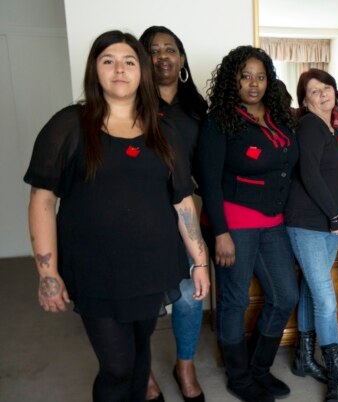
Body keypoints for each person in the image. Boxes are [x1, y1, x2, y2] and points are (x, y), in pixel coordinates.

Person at [24, 30, 210, 402]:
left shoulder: (163, 130)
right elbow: (43, 201)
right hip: (95, 270)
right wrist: (47, 272)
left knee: (140, 361)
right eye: (108, 60)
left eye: (128, 61)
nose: (119, 69)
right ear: (95, 70)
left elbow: (183, 203)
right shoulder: (69, 125)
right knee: (117, 367)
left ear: (141, 71)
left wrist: (199, 262)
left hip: (151, 268)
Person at [197, 45, 299, 402]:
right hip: (234, 222)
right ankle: (239, 379)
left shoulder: (279, 116)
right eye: (245, 76)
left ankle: (259, 368)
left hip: (273, 220)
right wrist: (221, 233)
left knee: (285, 294)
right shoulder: (219, 122)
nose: (253, 84)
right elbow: (209, 181)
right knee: (234, 301)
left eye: (260, 76)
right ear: (232, 80)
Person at [139, 26, 209, 402]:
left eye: (171, 49)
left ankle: (185, 364)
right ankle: (143, 372)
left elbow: (205, 166)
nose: (163, 56)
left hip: (184, 216)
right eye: (154, 50)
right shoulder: (132, 104)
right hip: (142, 218)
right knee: (145, 299)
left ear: (181, 59)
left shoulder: (196, 108)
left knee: (189, 295)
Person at [284, 68, 338, 402]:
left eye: (326, 87)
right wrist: (336, 215)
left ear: (335, 92)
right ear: (305, 99)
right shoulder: (310, 126)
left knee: (312, 290)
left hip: (328, 224)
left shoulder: (330, 127)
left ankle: (303, 358)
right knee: (325, 298)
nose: (322, 94)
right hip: (309, 222)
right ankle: (337, 376)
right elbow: (309, 174)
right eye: (313, 91)